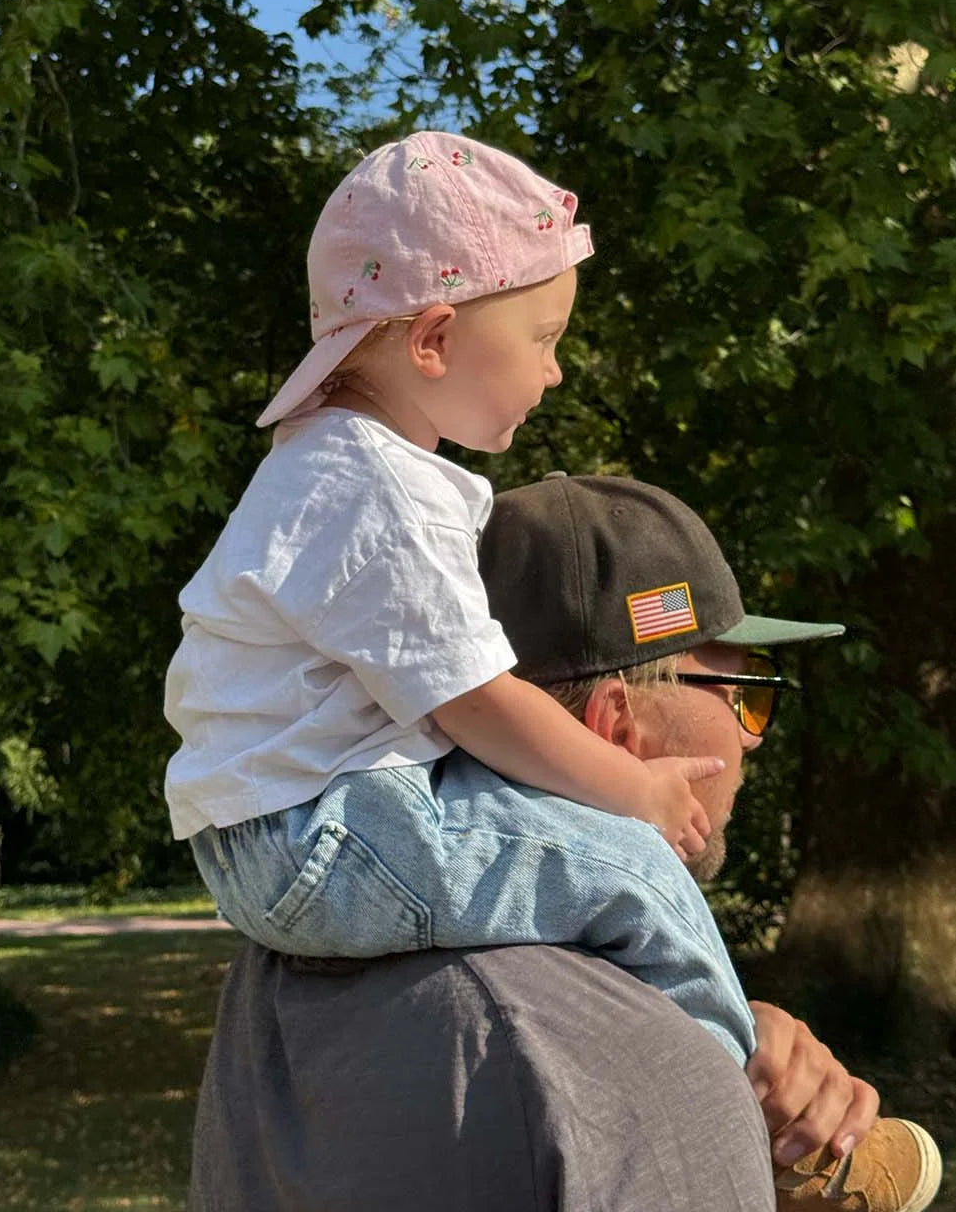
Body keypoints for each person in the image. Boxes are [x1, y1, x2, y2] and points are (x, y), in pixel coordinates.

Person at [164, 130, 758, 1067]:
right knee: (630, 866)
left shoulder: (342, 469)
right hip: (319, 834)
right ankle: (736, 1100)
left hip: (304, 823)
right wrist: (634, 789)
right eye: (543, 340)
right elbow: (475, 698)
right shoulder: (375, 490)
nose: (555, 371)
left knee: (568, 834)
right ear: (435, 341)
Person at [188, 474, 943, 1212]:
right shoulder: (611, 1063)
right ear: (618, 725)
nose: (755, 743)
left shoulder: (281, 969)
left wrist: (738, 1041)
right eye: (748, 698)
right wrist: (707, 1080)